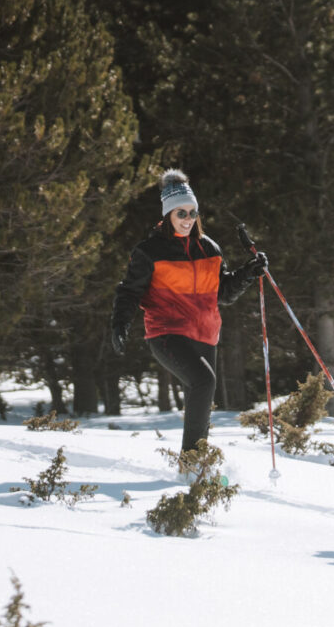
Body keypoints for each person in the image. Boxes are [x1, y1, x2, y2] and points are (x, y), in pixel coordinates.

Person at [109, 169, 266, 455]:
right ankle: (192, 460)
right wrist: (120, 324)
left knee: (201, 395)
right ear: (168, 214)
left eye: (192, 213)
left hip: (205, 335)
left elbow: (222, 293)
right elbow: (129, 291)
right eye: (181, 213)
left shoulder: (210, 249)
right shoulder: (150, 251)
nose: (188, 220)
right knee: (205, 381)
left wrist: (248, 272)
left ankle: (197, 462)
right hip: (167, 332)